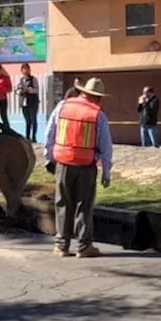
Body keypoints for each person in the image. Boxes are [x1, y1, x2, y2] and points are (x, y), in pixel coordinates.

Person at [44, 77, 113, 259]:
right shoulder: (98, 115)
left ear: (82, 92)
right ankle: (83, 246)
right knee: (84, 205)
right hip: (86, 166)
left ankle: (61, 246)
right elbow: (106, 147)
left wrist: (48, 158)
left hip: (63, 164)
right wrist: (106, 172)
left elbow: (50, 133)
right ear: (97, 97)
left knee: (63, 204)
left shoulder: (62, 107)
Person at [16, 63, 41, 142]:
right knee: (27, 121)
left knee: (33, 120)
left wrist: (29, 89)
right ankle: (27, 137)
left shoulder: (33, 79)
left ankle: (33, 137)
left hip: (33, 102)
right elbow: (16, 90)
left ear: (29, 70)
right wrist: (19, 91)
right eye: (24, 69)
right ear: (21, 71)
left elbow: (36, 90)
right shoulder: (21, 80)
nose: (25, 71)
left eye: (27, 69)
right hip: (24, 103)